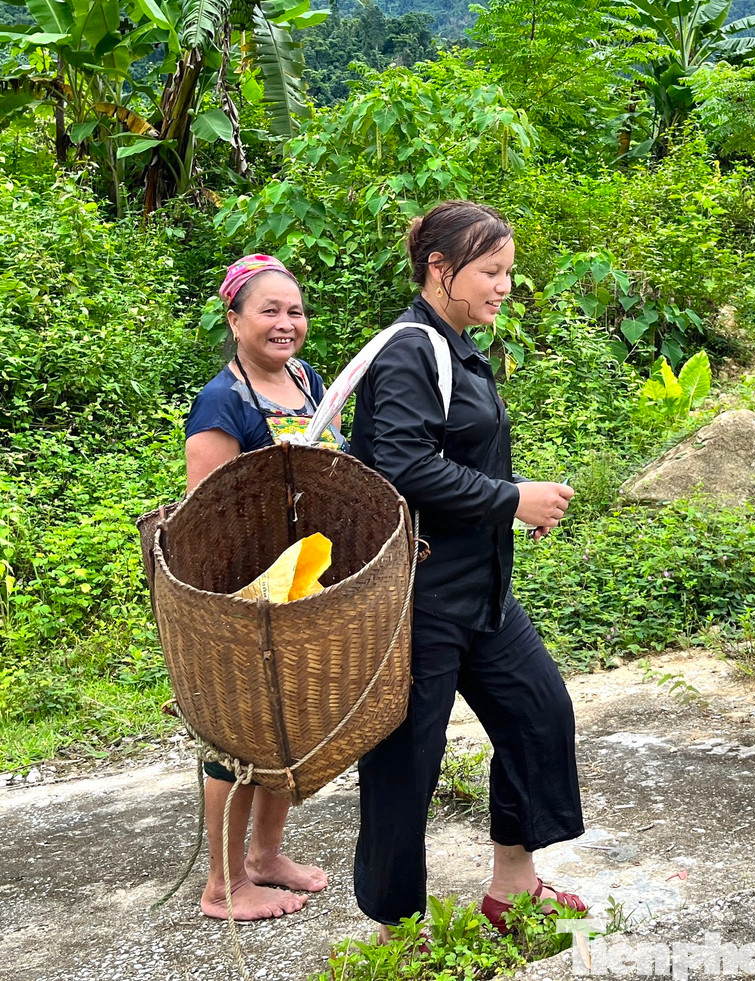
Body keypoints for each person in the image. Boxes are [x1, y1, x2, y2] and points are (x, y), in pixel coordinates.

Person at [349, 200, 587, 939]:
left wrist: (507, 509)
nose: (504, 285)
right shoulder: (409, 349)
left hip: (480, 590)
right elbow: (402, 465)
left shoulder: (458, 345)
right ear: (439, 269)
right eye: (490, 270)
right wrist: (513, 499)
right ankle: (397, 929)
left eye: (508, 271)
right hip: (416, 598)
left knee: (538, 715)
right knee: (405, 764)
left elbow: (454, 459)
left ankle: (512, 886)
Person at [184, 254, 339, 919]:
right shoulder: (222, 401)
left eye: (295, 310)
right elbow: (203, 515)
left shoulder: (308, 380)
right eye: (269, 310)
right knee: (237, 737)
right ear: (235, 318)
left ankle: (265, 856)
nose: (286, 323)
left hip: (311, 582)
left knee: (287, 729)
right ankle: (222, 886)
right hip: (246, 597)